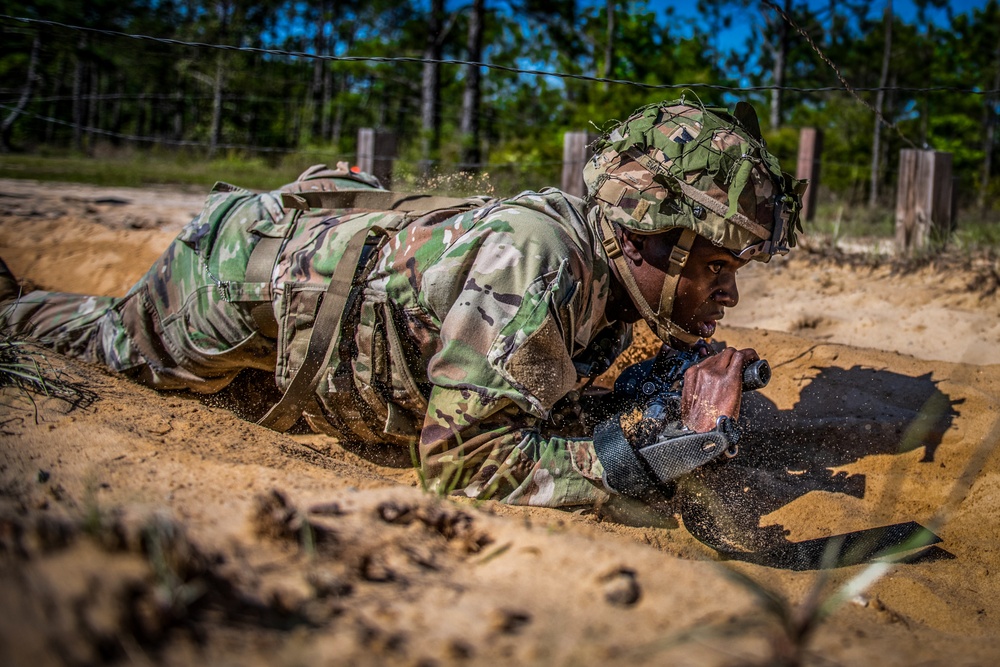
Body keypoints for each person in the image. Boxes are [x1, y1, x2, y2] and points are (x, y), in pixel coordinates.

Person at [0, 100, 803, 514]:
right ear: (645, 235)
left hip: (291, 289)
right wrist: (657, 454)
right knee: (104, 344)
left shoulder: (607, 279)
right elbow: (464, 463)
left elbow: (537, 394)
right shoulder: (541, 261)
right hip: (232, 283)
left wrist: (655, 394)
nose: (728, 294)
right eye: (718, 265)